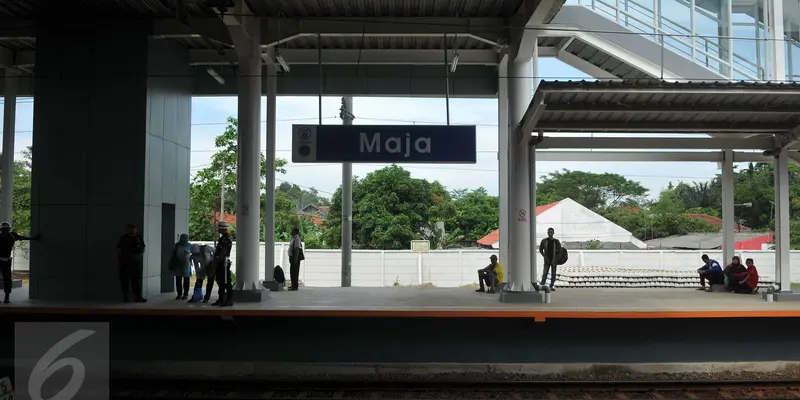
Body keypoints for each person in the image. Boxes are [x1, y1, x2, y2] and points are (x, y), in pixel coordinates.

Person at [0, 222, 38, 303]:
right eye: (4, 230)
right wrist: (33, 238)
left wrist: (33, 238)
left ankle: (7, 297)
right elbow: (22, 237)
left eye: (6, 230)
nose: (5, 231)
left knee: (7, 279)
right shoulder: (12, 235)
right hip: (5, 260)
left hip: (6, 260)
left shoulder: (12, 235)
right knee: (7, 279)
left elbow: (22, 237)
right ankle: (7, 297)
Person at [117, 223, 147, 303]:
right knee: (125, 280)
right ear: (128, 230)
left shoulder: (138, 237)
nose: (133, 231)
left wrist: (140, 256)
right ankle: (126, 296)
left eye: (135, 229)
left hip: (135, 262)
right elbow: (119, 249)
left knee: (136, 280)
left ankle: (138, 297)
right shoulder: (124, 238)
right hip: (125, 262)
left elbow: (143, 247)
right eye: (132, 229)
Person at [212, 221, 234, 307]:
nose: (217, 229)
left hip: (223, 262)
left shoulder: (226, 239)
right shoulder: (222, 239)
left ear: (222, 229)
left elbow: (223, 252)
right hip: (221, 262)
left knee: (226, 281)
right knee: (220, 280)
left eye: (219, 228)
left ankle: (228, 299)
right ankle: (221, 299)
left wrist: (216, 261)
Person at [170, 233, 192, 300]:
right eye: (183, 238)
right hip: (178, 264)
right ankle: (179, 294)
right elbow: (173, 254)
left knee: (186, 279)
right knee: (178, 279)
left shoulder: (189, 245)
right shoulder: (177, 245)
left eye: (186, 238)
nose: (184, 240)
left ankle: (185, 294)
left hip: (186, 264)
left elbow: (193, 254)